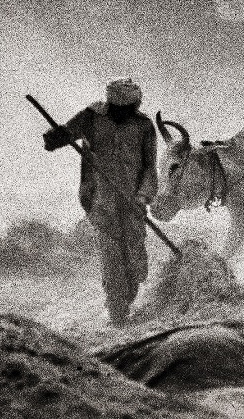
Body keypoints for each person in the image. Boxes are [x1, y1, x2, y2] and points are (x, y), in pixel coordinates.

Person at [43, 77, 158, 326]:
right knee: (112, 259)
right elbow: (64, 135)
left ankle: (125, 300)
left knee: (135, 263)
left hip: (132, 204)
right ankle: (117, 313)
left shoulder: (144, 126)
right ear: (111, 104)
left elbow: (150, 168)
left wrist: (142, 197)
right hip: (100, 201)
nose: (126, 113)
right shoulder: (91, 117)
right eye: (121, 109)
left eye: (130, 108)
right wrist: (56, 136)